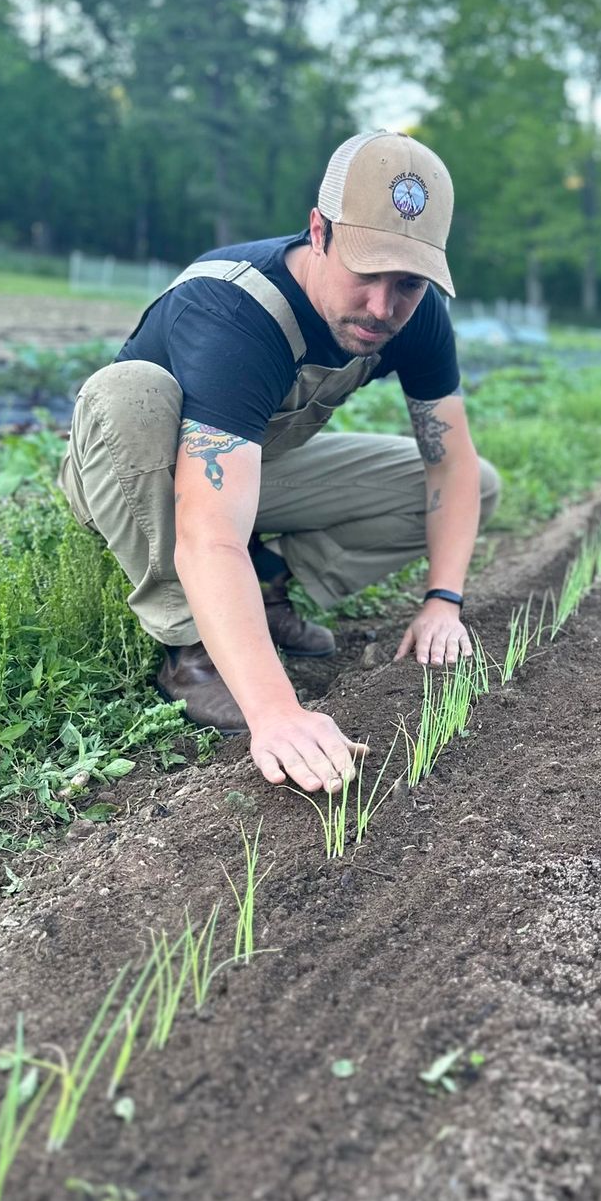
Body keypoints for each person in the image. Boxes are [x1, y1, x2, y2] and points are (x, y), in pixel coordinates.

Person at [58, 131, 500, 797]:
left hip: (244, 468)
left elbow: (451, 468)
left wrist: (443, 601)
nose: (383, 308)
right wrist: (276, 711)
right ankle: (191, 648)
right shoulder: (235, 310)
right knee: (133, 394)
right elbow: (209, 535)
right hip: (131, 478)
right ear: (318, 232)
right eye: (367, 274)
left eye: (406, 284)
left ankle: (264, 589)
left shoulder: (419, 316)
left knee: (481, 485)